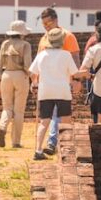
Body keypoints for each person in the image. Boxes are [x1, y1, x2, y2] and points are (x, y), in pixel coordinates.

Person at [30, 27, 79, 160]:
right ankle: (66, 150)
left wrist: (34, 83)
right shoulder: (66, 55)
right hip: (62, 91)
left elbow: (33, 73)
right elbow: (74, 73)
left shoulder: (42, 55)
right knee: (66, 122)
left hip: (45, 91)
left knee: (44, 122)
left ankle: (38, 150)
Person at [37, 7, 80, 153]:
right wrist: (36, 80)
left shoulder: (68, 36)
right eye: (44, 25)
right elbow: (38, 61)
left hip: (63, 81)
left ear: (56, 20)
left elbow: (75, 58)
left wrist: (76, 79)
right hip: (47, 83)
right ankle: (54, 142)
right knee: (49, 115)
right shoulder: (44, 38)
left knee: (57, 114)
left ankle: (52, 142)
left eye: (48, 24)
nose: (46, 27)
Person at [0, 20, 33, 149]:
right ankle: (16, 141)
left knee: (7, 108)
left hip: (6, 75)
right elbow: (28, 65)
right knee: (19, 111)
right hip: (20, 75)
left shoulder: (5, 43)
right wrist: (32, 78)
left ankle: (2, 126)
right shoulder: (25, 45)